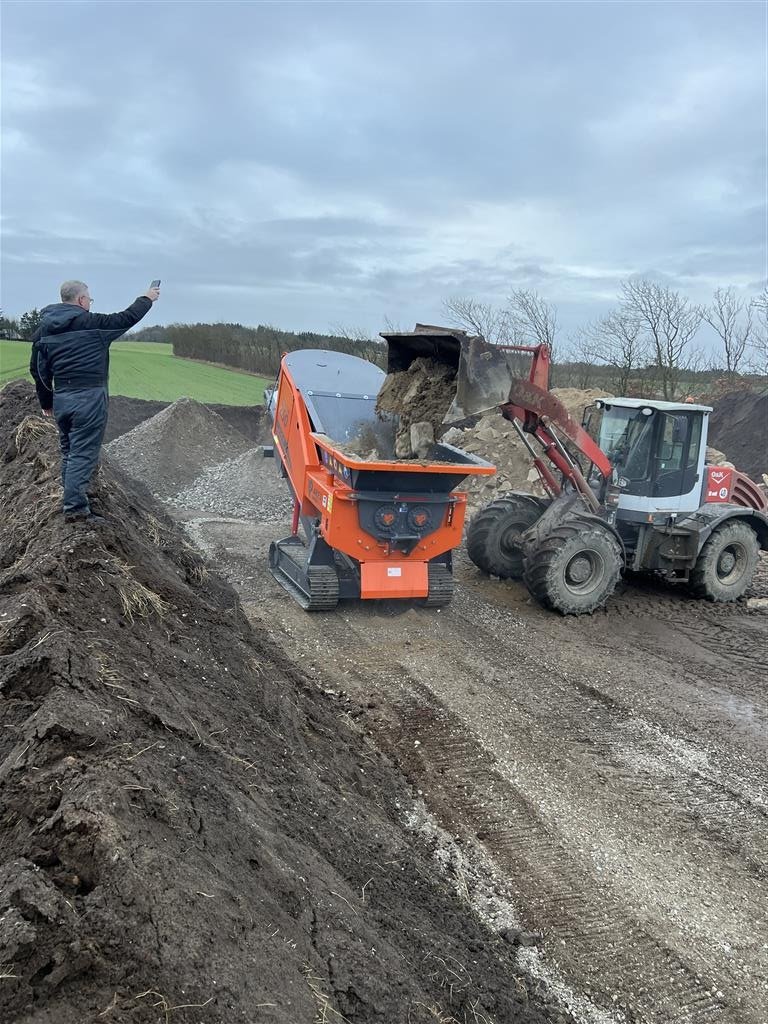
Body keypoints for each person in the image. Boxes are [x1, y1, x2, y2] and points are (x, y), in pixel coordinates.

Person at [29, 280, 160, 522]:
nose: (90, 302)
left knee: (69, 450)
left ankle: (72, 499)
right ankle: (76, 510)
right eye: (89, 298)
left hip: (62, 399)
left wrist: (47, 401)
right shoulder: (93, 324)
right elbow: (127, 317)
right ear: (80, 300)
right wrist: (148, 298)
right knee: (82, 453)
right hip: (89, 399)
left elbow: (38, 370)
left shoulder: (43, 331)